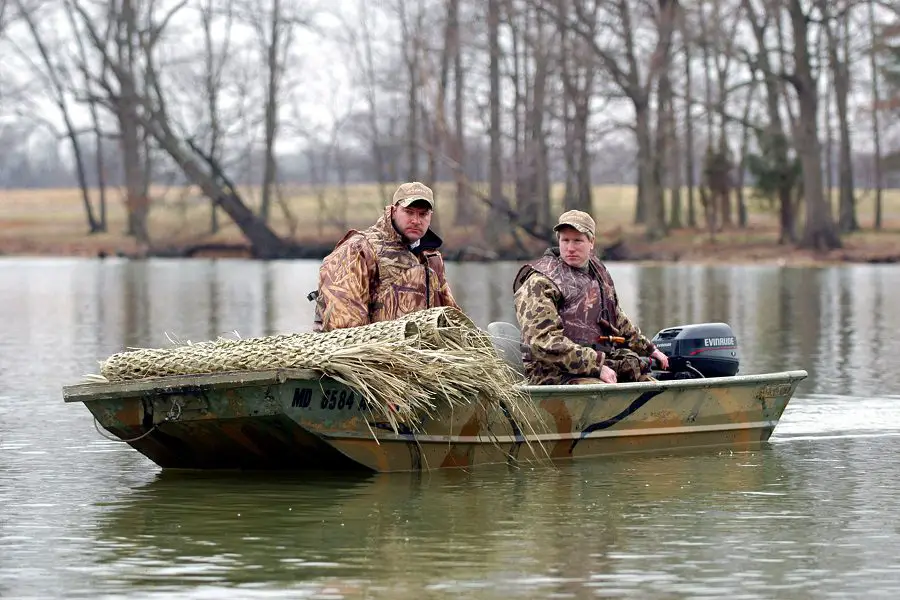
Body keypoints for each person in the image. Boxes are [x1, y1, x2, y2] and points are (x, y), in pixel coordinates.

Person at [512, 209, 669, 385]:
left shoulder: (597, 274)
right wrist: (597, 366)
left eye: (578, 241)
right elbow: (542, 342)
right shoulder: (539, 283)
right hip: (551, 372)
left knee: (643, 377)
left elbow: (616, 318)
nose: (570, 248)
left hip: (594, 362)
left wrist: (649, 349)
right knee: (601, 390)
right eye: (565, 240)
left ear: (591, 242)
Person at [312, 181, 460, 332]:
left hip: (420, 353)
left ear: (431, 216)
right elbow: (344, 330)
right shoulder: (358, 249)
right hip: (373, 353)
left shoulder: (431, 258)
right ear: (394, 211)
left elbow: (450, 319)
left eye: (423, 214)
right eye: (409, 212)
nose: (416, 220)